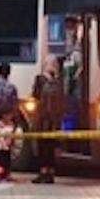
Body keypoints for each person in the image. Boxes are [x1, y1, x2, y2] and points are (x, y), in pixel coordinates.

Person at [32, 55, 65, 184]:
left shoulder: (40, 80)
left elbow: (35, 95)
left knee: (43, 147)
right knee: (50, 147)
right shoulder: (59, 81)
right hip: (54, 121)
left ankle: (43, 172)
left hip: (43, 120)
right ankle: (50, 173)